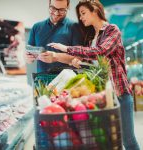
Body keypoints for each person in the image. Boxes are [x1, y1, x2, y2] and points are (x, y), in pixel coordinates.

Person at [45, 0, 140, 149]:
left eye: (83, 13)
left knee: (128, 140)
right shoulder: (93, 39)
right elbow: (92, 60)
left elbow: (101, 52)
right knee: (112, 141)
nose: (81, 18)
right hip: (102, 96)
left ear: (95, 10)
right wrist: (77, 61)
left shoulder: (112, 30)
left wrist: (67, 48)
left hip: (120, 93)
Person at [26, 0, 83, 74]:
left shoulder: (75, 27)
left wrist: (56, 57)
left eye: (62, 10)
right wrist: (28, 58)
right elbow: (29, 55)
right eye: (53, 8)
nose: (56, 13)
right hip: (41, 81)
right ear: (49, 4)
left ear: (67, 7)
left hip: (66, 81)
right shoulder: (36, 27)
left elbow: (79, 57)